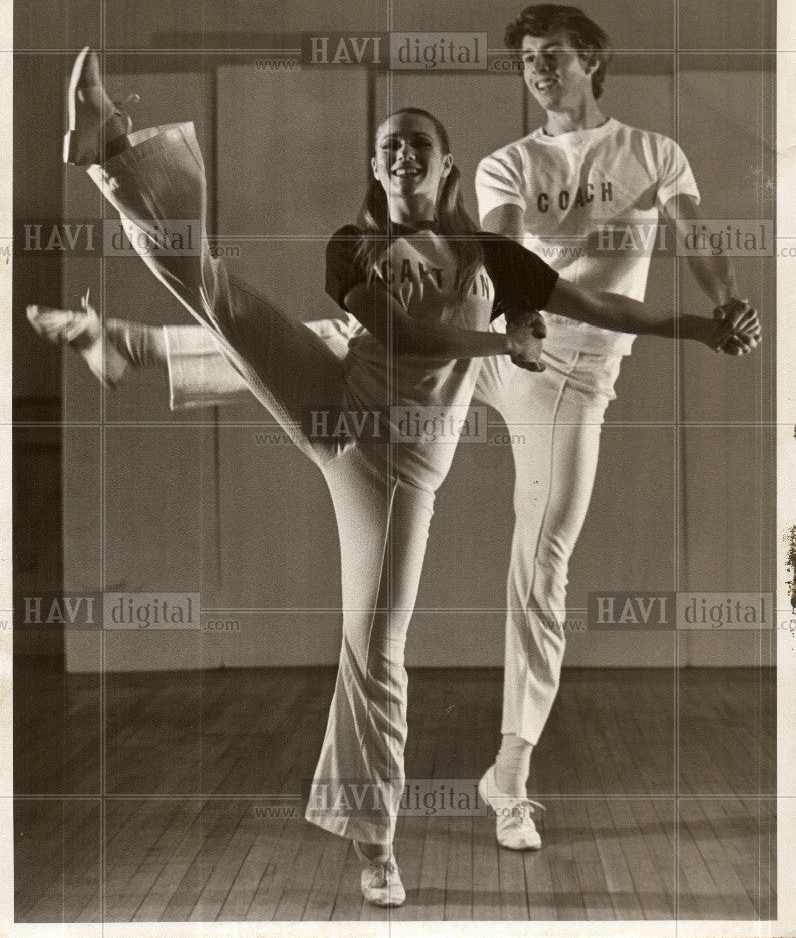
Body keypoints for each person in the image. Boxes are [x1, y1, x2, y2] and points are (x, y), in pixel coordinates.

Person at [28, 47, 737, 905]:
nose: (402, 154)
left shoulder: (494, 256)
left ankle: (375, 844)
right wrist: (499, 344)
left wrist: (697, 327)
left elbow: (600, 309)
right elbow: (400, 334)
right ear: (376, 167)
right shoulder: (353, 246)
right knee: (219, 289)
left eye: (419, 144)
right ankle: (113, 153)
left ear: (448, 168)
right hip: (336, 406)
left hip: (391, 470)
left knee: (373, 651)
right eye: (389, 145)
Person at [470, 3, 762, 848]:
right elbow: (501, 257)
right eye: (526, 58)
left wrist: (726, 302)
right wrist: (510, 316)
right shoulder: (507, 162)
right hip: (496, 338)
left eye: (552, 55)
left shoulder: (653, 153)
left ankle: (509, 777)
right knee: (357, 343)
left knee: (541, 563)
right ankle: (148, 346)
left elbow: (696, 238)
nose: (537, 69)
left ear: (592, 61)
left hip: (571, 376)